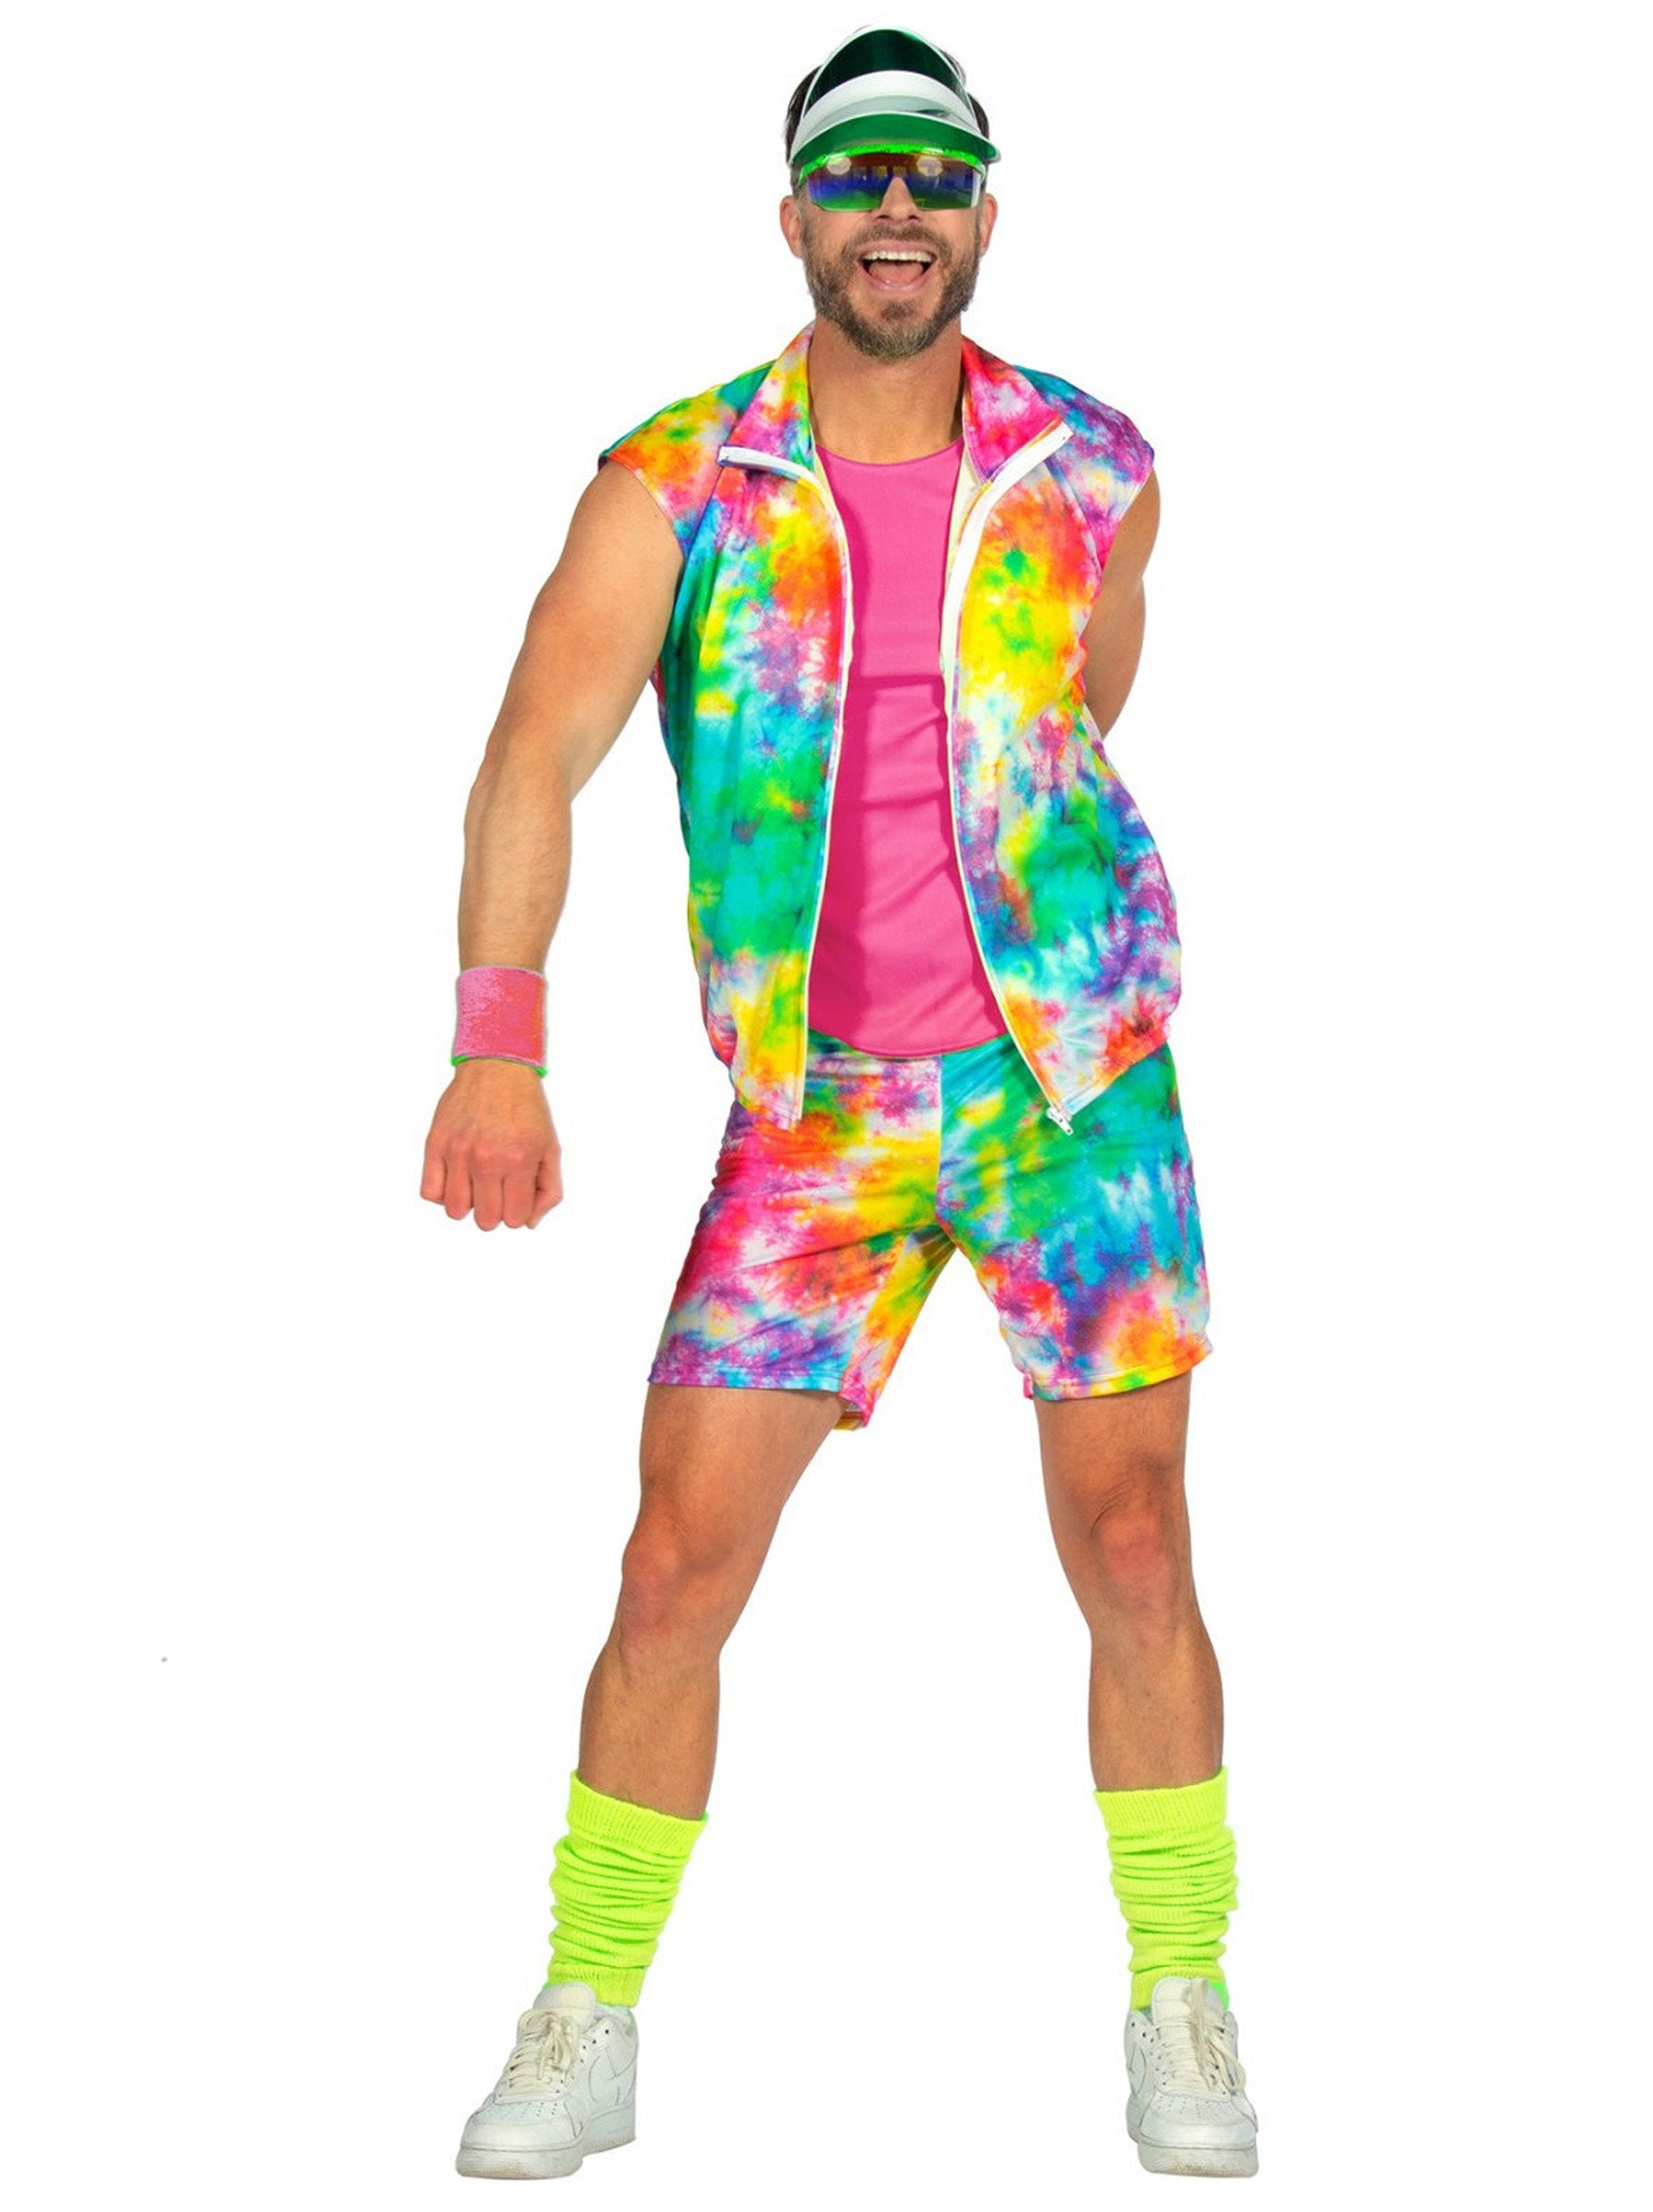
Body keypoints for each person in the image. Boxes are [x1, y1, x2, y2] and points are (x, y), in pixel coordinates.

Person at [421, 21, 1258, 2183]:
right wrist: (496, 1044)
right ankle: (586, 2008)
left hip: (1076, 1090)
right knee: (674, 1562)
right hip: (819, 1123)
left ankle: (1181, 1989)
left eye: (935, 175)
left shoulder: (1092, 462)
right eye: (859, 173)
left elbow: (1083, 703)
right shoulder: (676, 482)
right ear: (793, 213)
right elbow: (533, 754)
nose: (899, 209)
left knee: (1137, 1542)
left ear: (983, 213)